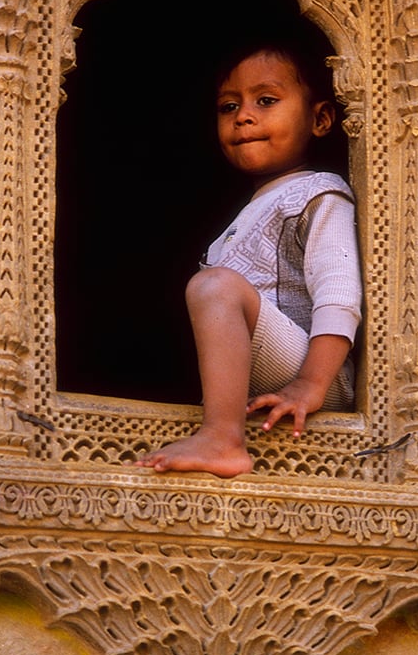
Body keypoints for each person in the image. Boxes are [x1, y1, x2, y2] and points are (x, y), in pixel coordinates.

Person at [135, 31, 362, 477]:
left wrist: (311, 384)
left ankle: (222, 440)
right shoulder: (247, 216)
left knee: (215, 285)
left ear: (320, 119)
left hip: (317, 372)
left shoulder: (319, 192)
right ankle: (219, 424)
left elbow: (339, 291)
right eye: (229, 106)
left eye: (266, 101)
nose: (244, 118)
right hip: (270, 376)